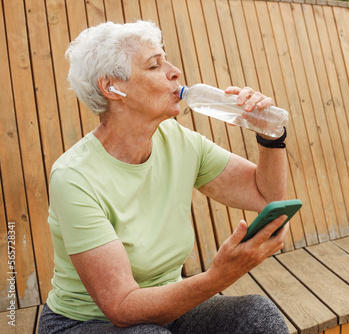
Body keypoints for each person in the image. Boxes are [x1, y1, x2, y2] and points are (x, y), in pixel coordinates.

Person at [37, 20, 290, 334]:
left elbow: (265, 195)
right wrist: (216, 278)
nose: (175, 71)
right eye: (155, 65)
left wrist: (271, 134)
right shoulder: (74, 177)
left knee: (256, 315)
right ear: (111, 88)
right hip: (84, 323)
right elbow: (122, 307)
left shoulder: (178, 140)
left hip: (168, 308)